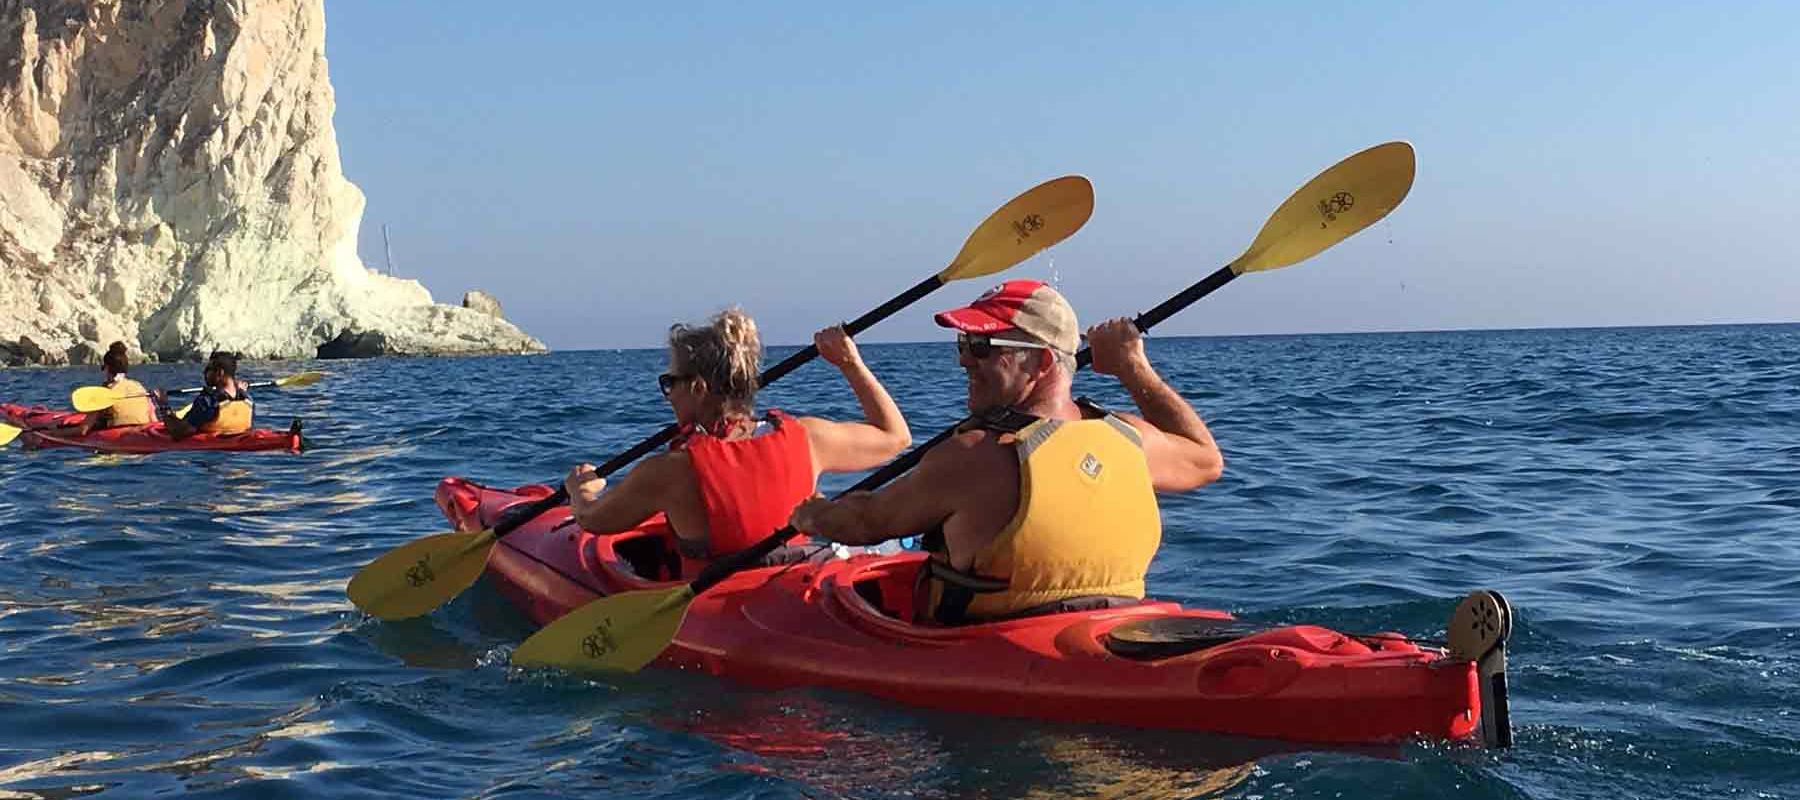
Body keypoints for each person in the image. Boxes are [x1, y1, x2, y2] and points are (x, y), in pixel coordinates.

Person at [789, 279, 1225, 624]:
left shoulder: (974, 455)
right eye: (963, 345)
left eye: (982, 347)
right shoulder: (1130, 438)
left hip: (986, 652)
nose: (964, 361)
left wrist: (811, 514)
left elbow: (867, 523)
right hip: (1113, 626)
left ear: (1042, 364)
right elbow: (1205, 459)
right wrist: (1135, 370)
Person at [563, 309, 911, 574]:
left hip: (723, 604)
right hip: (797, 580)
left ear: (698, 387)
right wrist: (850, 363)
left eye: (670, 383)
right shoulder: (808, 437)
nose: (667, 395)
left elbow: (594, 521)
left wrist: (583, 491)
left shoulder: (669, 471)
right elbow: (895, 437)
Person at [157, 350, 254, 440]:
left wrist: (164, 405)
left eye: (209, 369)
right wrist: (239, 390)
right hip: (238, 445)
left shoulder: (207, 402)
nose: (204, 372)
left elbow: (178, 432)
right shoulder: (247, 399)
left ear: (220, 373)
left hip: (211, 451)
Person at [75, 342, 159, 435]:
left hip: (117, 437)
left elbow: (82, 430)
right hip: (144, 433)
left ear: (107, 368)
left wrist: (57, 433)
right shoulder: (139, 387)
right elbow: (154, 421)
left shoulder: (104, 391)